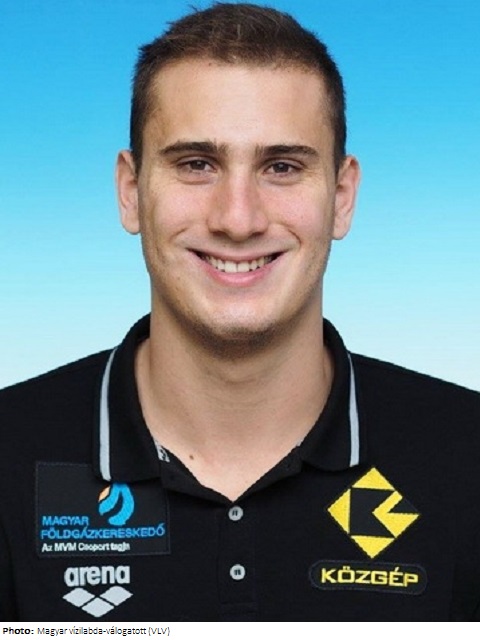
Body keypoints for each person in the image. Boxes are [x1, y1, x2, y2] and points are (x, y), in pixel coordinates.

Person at [0, 2, 479, 623]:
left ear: (341, 197)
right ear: (131, 191)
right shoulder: (9, 454)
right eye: (197, 164)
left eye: (282, 167)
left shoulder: (467, 458)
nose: (238, 218)